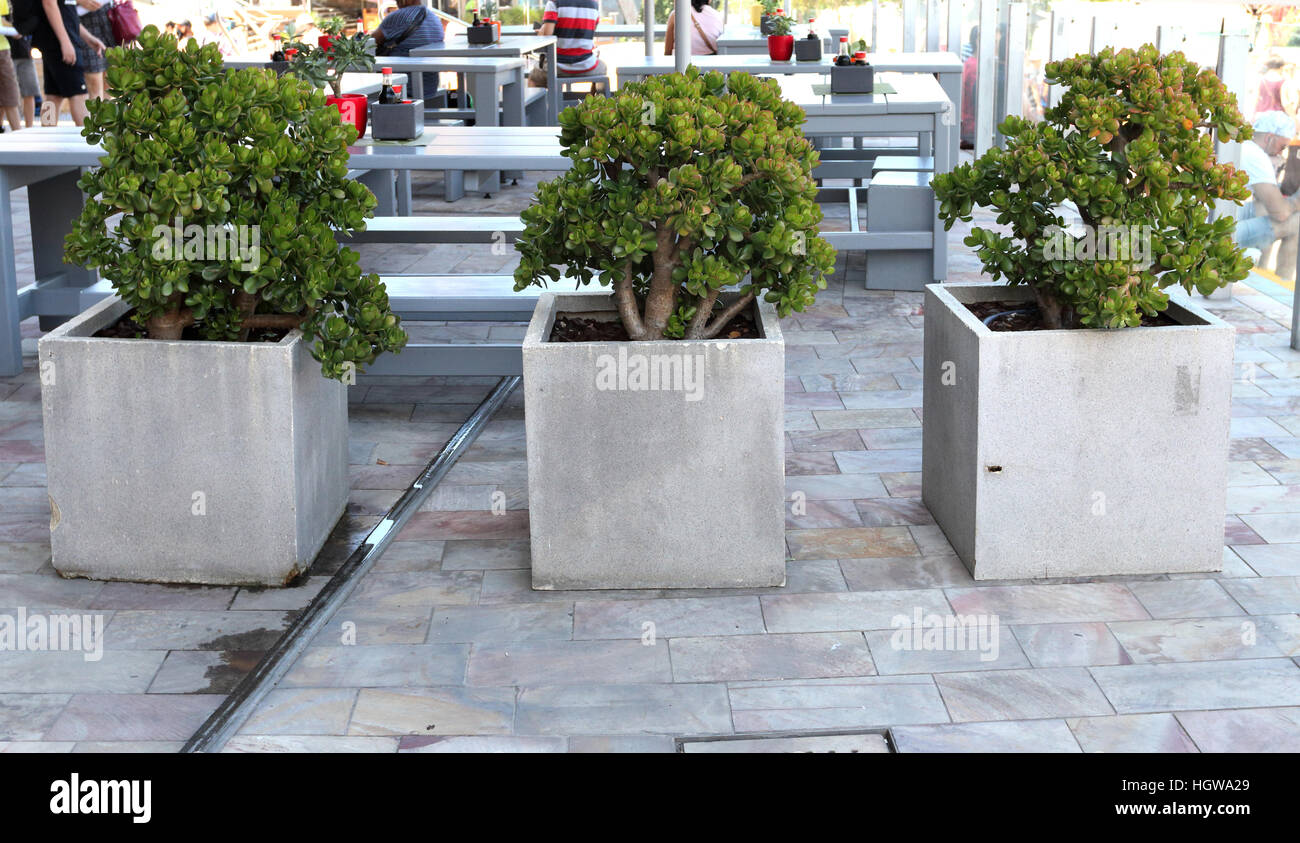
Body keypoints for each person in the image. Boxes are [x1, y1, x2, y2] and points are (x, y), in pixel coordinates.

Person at [1235, 111, 1300, 280]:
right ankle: (1281, 282)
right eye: (1282, 147)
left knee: (1264, 207)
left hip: (1215, 216)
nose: (1281, 153)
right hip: (1223, 230)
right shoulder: (1258, 158)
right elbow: (1281, 213)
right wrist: (1296, 202)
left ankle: (1261, 269)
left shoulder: (1245, 144)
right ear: (1269, 138)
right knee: (1296, 221)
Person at [30, 0, 106, 126]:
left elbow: (67, 12)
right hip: (60, 43)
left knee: (53, 96)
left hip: (58, 41)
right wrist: (65, 42)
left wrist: (88, 38)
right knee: (79, 95)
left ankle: (46, 137)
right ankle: (85, 142)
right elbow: (49, 3)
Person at [374, 0, 445, 97]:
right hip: (430, 88)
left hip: (402, 89)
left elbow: (368, 42)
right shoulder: (434, 18)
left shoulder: (400, 16)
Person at [540, 0, 602, 78]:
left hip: (556, 65)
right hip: (586, 64)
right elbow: (592, 29)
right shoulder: (594, 4)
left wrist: (542, 30)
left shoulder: (554, 2)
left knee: (533, 78)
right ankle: (595, 90)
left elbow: (547, 36)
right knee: (603, 67)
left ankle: (555, 90)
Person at [74, 0, 115, 101]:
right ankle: (95, 115)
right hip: (84, 24)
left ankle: (105, 115)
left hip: (109, 20)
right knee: (94, 84)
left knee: (109, 82)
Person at [9, 33, 39, 127]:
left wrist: (23, 30)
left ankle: (29, 127)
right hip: (6, 51)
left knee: (30, 92)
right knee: (6, 95)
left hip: (25, 52)